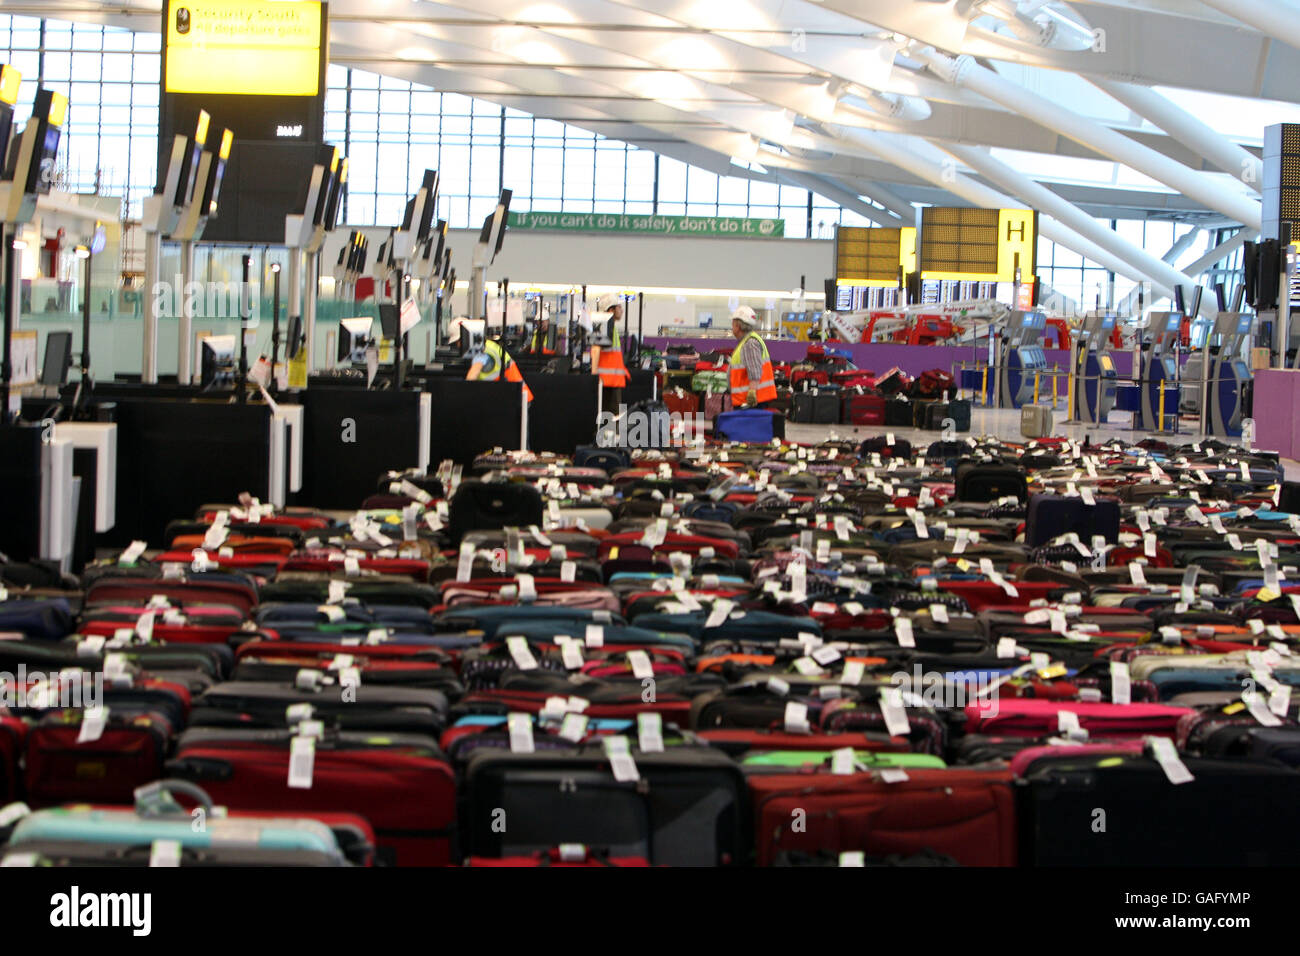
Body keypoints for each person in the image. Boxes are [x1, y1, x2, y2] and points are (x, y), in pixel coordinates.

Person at [448, 316, 533, 403]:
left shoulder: (482, 353)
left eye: (458, 341)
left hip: (518, 400)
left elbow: (471, 378)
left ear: (466, 337)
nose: (458, 345)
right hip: (514, 397)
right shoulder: (487, 345)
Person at [729, 306, 777, 409]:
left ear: (738, 326)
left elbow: (754, 370)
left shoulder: (750, 343)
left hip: (751, 401)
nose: (732, 327)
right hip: (749, 400)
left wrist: (752, 393)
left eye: (732, 324)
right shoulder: (747, 341)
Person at [590, 292, 630, 408]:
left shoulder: (610, 326)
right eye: (619, 307)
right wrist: (594, 376)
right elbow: (596, 349)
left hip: (611, 381)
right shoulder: (604, 325)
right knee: (611, 419)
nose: (622, 310)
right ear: (611, 310)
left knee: (612, 419)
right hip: (606, 382)